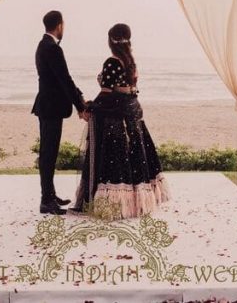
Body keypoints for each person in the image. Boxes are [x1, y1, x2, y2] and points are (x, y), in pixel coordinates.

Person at [70, 23, 170, 218]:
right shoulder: (131, 62)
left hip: (115, 117)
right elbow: (128, 89)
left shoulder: (112, 62)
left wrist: (88, 107)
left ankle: (104, 203)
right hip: (132, 112)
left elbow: (106, 93)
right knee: (132, 156)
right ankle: (135, 203)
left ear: (110, 41)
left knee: (113, 158)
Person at [31, 10, 90, 214]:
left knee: (49, 152)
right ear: (59, 26)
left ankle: (49, 194)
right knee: (48, 154)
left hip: (47, 106)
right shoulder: (53, 48)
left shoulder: (43, 45)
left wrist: (79, 99)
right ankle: (46, 200)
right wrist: (81, 107)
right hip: (51, 107)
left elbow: (60, 80)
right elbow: (65, 79)